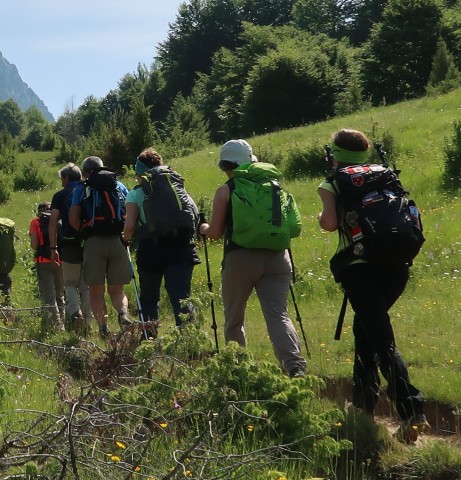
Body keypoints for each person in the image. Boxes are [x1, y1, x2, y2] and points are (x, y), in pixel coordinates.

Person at [317, 128, 427, 441]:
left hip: (360, 268)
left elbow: (328, 224)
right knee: (365, 330)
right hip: (397, 267)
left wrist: (324, 214)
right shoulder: (385, 174)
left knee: (381, 339)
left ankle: (411, 409)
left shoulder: (334, 181)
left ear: (335, 153)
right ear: (365, 152)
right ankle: (363, 407)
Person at [199, 139, 307, 377]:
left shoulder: (226, 190)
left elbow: (215, 233)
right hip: (278, 258)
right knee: (278, 314)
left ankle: (240, 371)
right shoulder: (276, 186)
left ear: (226, 165)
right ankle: (294, 365)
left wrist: (203, 227)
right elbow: (294, 228)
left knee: (234, 317)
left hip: (240, 258)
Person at [122, 147, 200, 330]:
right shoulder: (176, 187)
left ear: (139, 173)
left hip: (151, 250)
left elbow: (130, 226)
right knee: (181, 296)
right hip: (181, 247)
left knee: (149, 298)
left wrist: (125, 239)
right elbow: (194, 214)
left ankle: (149, 340)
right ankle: (190, 341)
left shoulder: (136, 193)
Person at [69, 156, 134, 336]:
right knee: (117, 289)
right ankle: (123, 313)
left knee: (96, 292)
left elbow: (73, 218)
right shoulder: (118, 186)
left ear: (85, 172)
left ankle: (103, 329)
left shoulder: (83, 188)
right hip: (118, 241)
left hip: (94, 241)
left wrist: (85, 231)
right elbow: (129, 213)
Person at [49, 163, 89, 332]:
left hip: (69, 244)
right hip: (88, 243)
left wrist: (53, 248)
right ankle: (89, 323)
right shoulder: (87, 191)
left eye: (61, 178)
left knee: (70, 283)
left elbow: (52, 223)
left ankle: (75, 313)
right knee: (86, 285)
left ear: (65, 178)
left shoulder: (59, 195)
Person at [27, 201, 65, 324]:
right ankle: (63, 320)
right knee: (60, 294)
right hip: (60, 260)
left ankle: (56, 326)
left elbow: (34, 245)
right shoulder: (59, 221)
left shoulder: (36, 222)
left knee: (49, 295)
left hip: (43, 261)